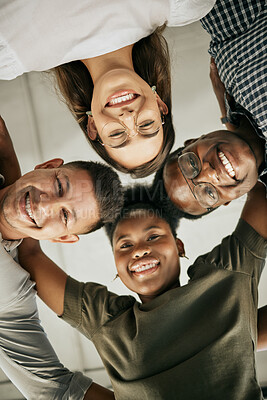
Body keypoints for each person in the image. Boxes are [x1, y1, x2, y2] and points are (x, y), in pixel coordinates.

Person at [18, 181, 267, 399]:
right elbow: (30, 255)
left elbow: (259, 189)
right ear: (116, 263)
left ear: (178, 246)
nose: (138, 250)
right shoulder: (108, 322)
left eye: (153, 237)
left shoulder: (224, 277)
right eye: (125, 245)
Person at [0, 0, 216, 177]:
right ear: (160, 104)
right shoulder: (182, 4)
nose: (129, 117)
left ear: (92, 125)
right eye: (147, 124)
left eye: (116, 134)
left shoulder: (10, 56)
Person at [0, 118, 121, 399]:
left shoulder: (11, 295)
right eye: (59, 187)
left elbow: (57, 391)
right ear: (46, 167)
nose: (45, 205)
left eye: (65, 216)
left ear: (62, 238)